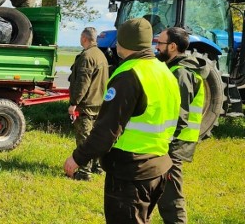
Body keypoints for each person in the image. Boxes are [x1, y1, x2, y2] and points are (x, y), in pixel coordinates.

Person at [63, 18, 181, 223]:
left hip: (131, 173)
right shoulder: (165, 72)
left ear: (125, 43)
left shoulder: (129, 75)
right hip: (158, 168)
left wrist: (78, 158)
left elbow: (106, 129)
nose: (116, 45)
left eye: (119, 40)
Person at [155, 27, 208, 224]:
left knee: (171, 197)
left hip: (174, 143)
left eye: (160, 43)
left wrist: (165, 142)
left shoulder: (182, 73)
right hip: (169, 141)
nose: (156, 47)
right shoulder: (173, 68)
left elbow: (180, 115)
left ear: (173, 46)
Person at [67, 27, 109, 181]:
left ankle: (84, 172)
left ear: (84, 38)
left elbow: (82, 83)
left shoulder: (87, 56)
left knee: (84, 139)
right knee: (96, 138)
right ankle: (97, 166)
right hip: (99, 103)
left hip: (87, 105)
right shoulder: (101, 55)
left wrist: (74, 103)